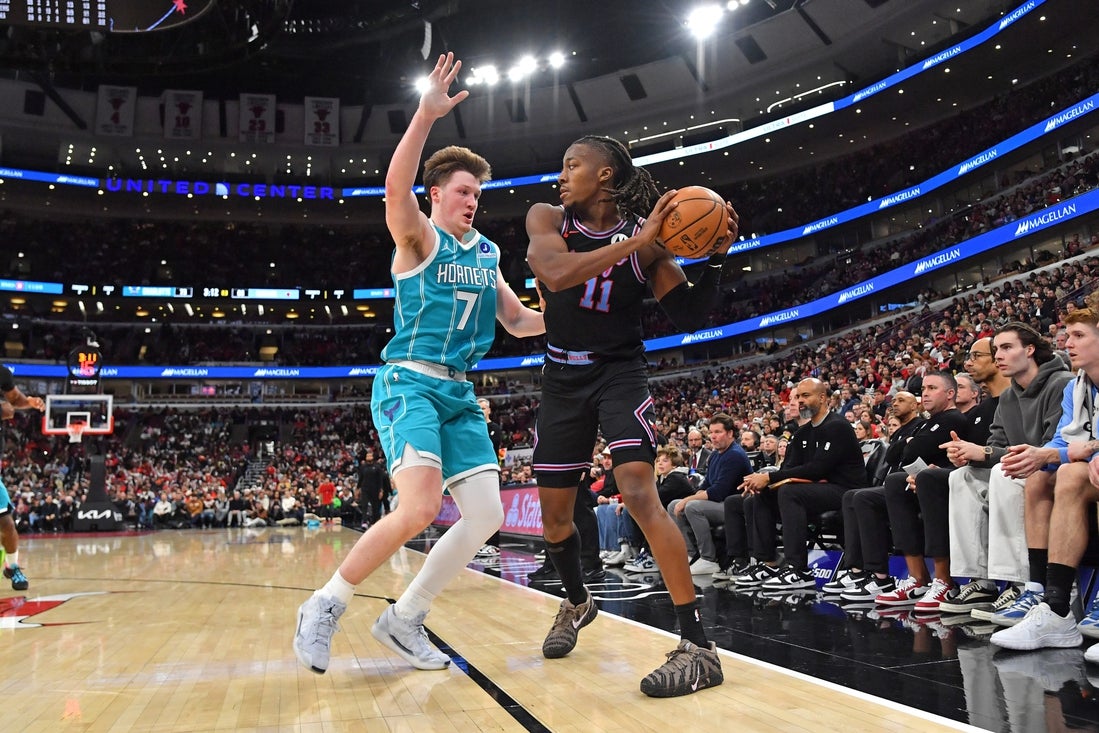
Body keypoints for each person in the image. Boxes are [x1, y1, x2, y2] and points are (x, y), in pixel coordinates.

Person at [293, 53, 545, 675]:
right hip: (409, 381)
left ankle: (405, 619)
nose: (473, 202)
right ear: (436, 195)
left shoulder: (486, 253)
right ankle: (325, 603)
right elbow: (392, 188)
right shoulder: (418, 238)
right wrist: (425, 116)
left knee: (486, 513)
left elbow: (518, 322)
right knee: (418, 509)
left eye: (478, 195)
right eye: (463, 192)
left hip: (460, 394)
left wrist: (590, 307)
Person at [526, 132, 737, 697]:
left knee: (640, 493)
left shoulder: (651, 241)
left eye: (573, 165)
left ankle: (698, 644)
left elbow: (690, 310)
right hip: (561, 378)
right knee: (555, 519)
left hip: (620, 371)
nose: (562, 174)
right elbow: (558, 272)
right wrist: (637, 242)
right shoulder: (547, 216)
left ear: (605, 177)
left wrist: (716, 256)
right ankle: (575, 602)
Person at [936, 325, 1070, 618]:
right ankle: (981, 582)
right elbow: (996, 444)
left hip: (1054, 470)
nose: (999, 356)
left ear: (1030, 350)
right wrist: (969, 455)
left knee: (1002, 474)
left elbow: (1050, 448)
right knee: (961, 477)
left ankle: (1022, 583)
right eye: (996, 350)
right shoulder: (1009, 397)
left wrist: (984, 453)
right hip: (1021, 469)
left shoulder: (1061, 383)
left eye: (1007, 348)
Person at [990, 305, 1099, 654]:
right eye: (1067, 336)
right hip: (1087, 467)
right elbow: (1064, 442)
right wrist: (1040, 455)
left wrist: (1073, 453)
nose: (1069, 343)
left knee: (1065, 468)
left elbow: (1074, 448)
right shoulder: (1077, 388)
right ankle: (1051, 602)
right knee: (1044, 474)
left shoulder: (1062, 382)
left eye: (1079, 335)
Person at [737, 378, 867, 591]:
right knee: (760, 495)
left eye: (806, 396)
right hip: (816, 488)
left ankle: (799, 569)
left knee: (789, 492)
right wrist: (763, 482)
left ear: (823, 398)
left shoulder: (837, 426)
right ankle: (769, 563)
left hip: (845, 490)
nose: (800, 401)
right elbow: (790, 468)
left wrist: (770, 478)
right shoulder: (802, 433)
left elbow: (818, 469)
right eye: (797, 397)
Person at [667, 414, 750, 577]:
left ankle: (708, 559)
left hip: (734, 506)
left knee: (692, 506)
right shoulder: (715, 455)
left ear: (730, 433)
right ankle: (692, 554)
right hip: (719, 503)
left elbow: (719, 491)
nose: (713, 436)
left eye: (718, 432)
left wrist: (688, 500)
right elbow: (706, 485)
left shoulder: (734, 455)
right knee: (673, 505)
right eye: (711, 432)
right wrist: (688, 499)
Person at [0, 366, 45, 591]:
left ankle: (12, 566)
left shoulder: (2, 373)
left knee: (6, 523)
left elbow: (13, 402)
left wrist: (29, 402)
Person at [475, 397, 505, 558]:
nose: (481, 410)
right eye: (478, 408)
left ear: (489, 410)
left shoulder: (494, 428)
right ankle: (482, 542)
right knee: (479, 509)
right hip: (476, 471)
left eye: (484, 408)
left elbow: (490, 445)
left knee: (492, 508)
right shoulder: (472, 427)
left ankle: (494, 544)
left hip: (491, 471)